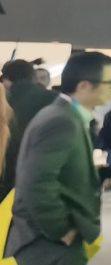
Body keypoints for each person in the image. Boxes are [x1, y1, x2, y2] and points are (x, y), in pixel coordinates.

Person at [4, 52, 111, 265]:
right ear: (84, 86)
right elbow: (36, 182)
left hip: (48, 241)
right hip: (47, 243)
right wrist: (60, 229)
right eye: (108, 82)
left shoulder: (66, 116)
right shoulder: (61, 120)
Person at [0, 60, 58, 201]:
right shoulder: (54, 99)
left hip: (6, 167)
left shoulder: (5, 99)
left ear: (7, 79)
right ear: (33, 76)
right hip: (42, 169)